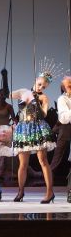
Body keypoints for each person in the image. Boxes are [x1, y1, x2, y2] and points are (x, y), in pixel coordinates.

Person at [11, 71, 57, 203]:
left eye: (44, 87)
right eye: (40, 84)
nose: (41, 87)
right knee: (23, 163)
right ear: (36, 80)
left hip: (37, 127)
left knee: (43, 160)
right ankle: (20, 191)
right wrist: (5, 77)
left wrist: (36, 101)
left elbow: (44, 114)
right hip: (23, 129)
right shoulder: (24, 92)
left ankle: (50, 192)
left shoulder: (43, 97)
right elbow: (9, 94)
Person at [50, 75, 71, 203]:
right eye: (69, 85)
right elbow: (63, 118)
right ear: (64, 88)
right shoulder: (62, 99)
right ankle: (49, 190)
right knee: (56, 161)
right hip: (65, 130)